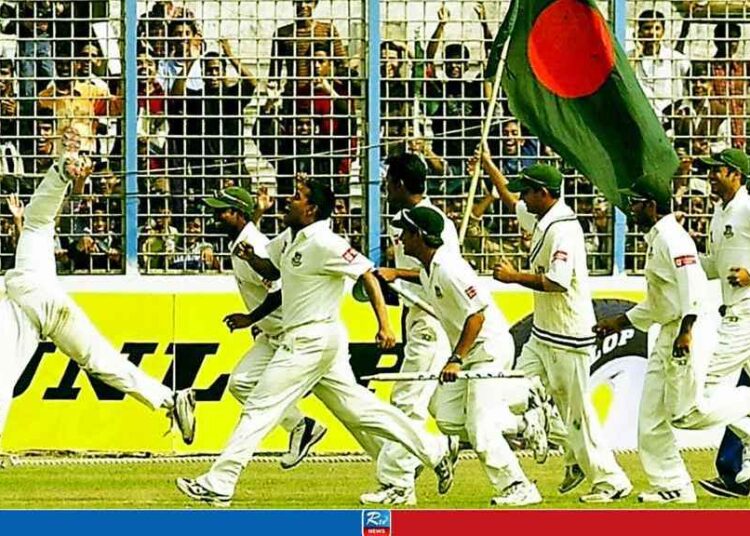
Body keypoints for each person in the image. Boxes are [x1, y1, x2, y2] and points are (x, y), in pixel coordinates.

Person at [175, 178, 457, 507]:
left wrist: (385, 324)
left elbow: (367, 273)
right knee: (360, 411)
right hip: (310, 339)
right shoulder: (289, 237)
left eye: (297, 197)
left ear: (311, 209)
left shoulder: (326, 242)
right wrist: (252, 258)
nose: (288, 200)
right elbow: (272, 269)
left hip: (311, 338)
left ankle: (220, 483)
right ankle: (434, 449)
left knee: (260, 408)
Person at [0, 127, 195, 448]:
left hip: (31, 296)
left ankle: (170, 400)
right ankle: (171, 400)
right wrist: (65, 174)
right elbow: (41, 218)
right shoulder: (36, 236)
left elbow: (41, 218)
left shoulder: (35, 237)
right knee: (101, 360)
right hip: (39, 302)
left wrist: (65, 172)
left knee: (86, 361)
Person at [475, 149, 631, 503]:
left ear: (543, 193)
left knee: (578, 413)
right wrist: (488, 164)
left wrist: (514, 277)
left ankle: (610, 479)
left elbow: (558, 281)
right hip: (542, 335)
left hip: (568, 335)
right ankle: (572, 453)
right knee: (511, 392)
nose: (522, 197)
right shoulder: (541, 216)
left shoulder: (564, 230)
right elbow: (510, 198)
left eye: (527, 191)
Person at [387, 205, 543, 505]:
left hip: (488, 349)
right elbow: (422, 277)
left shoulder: (449, 268)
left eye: (406, 233)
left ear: (420, 235)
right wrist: (393, 274)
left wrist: (455, 358)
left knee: (481, 429)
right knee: (447, 418)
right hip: (471, 352)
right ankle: (524, 422)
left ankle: (518, 486)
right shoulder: (431, 268)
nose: (401, 239)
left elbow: (477, 315)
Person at [594, 185, 707, 504]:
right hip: (668, 331)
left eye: (636, 203)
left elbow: (693, 287)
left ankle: (744, 406)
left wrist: (686, 331)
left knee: (685, 414)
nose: (630, 209)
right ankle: (674, 486)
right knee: (651, 417)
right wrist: (619, 322)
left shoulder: (673, 239)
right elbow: (660, 300)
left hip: (684, 331)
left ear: (653, 206)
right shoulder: (658, 238)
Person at [203, 186, 327, 469]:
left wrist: (251, 318)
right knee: (241, 383)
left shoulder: (254, 245)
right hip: (273, 334)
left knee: (347, 403)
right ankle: (301, 425)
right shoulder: (243, 241)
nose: (214, 217)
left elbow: (281, 290)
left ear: (237, 214)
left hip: (294, 335)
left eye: (221, 211)